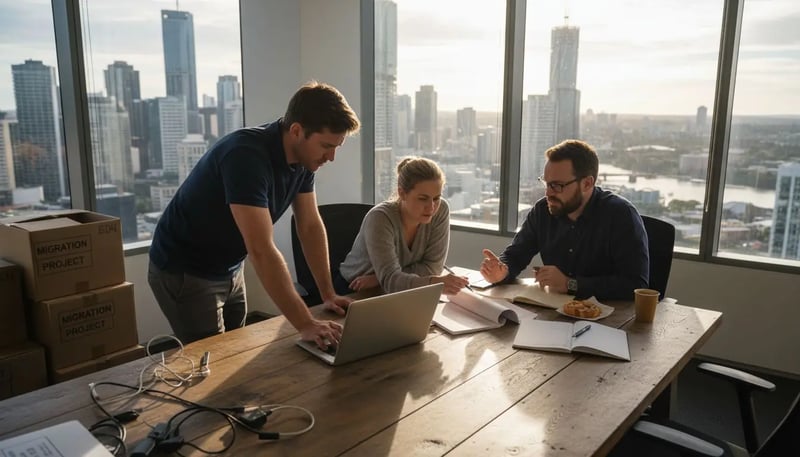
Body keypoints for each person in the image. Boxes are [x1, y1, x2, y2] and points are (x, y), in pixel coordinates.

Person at [148, 81, 360, 349]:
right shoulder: (245, 156)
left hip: (229, 266)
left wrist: (327, 293)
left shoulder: (305, 160)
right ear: (297, 131)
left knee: (237, 349)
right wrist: (306, 323)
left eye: (337, 147)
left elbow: (309, 226)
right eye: (326, 146)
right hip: (185, 270)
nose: (331, 157)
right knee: (214, 358)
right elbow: (261, 249)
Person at [480, 139, 649, 300]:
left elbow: (636, 284)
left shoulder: (620, 215)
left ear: (587, 184)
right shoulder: (542, 210)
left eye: (557, 185)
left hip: (609, 316)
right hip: (554, 311)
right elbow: (516, 256)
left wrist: (571, 284)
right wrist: (502, 272)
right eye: (546, 183)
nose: (548, 193)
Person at [336, 157, 469, 296]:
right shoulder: (380, 218)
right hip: (353, 289)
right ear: (402, 193)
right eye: (423, 199)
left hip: (396, 289)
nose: (431, 207)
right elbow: (392, 281)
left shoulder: (441, 210)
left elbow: (432, 268)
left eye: (436, 198)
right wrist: (433, 282)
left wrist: (379, 279)